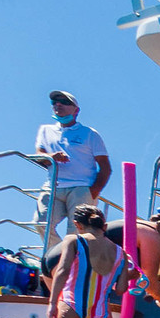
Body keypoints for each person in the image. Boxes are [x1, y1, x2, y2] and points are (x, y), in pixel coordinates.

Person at [33, 91, 111, 243]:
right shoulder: (45, 130)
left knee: (76, 232)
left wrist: (93, 191)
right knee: (41, 223)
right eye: (54, 102)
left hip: (81, 188)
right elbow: (39, 155)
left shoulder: (89, 134)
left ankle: (73, 262)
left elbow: (105, 167)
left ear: (76, 110)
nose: (58, 104)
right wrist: (51, 157)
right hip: (53, 186)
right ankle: (57, 257)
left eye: (64, 101)